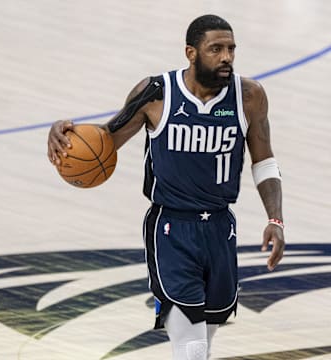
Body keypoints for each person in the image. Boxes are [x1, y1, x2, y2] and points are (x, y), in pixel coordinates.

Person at [47, 14, 285, 360]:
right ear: (191, 53)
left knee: (203, 339)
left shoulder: (249, 96)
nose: (226, 57)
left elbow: (263, 160)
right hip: (171, 229)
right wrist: (64, 135)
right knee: (191, 347)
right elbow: (103, 141)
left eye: (231, 49)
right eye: (215, 49)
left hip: (220, 228)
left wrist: (275, 219)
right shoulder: (155, 94)